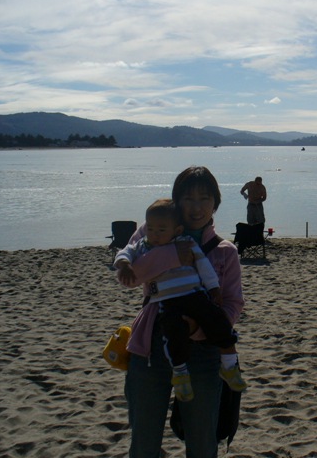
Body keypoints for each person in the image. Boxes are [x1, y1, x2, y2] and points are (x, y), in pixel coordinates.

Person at [124, 166, 244, 458]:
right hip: (150, 346)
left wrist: (197, 328)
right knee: (144, 440)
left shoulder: (225, 250)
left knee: (202, 442)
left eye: (205, 198)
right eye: (188, 198)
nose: (196, 207)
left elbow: (233, 304)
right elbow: (129, 277)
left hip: (203, 354)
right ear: (176, 201)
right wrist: (172, 255)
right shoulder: (151, 232)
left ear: (215, 203)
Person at [114, 198, 247, 402]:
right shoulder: (143, 244)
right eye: (151, 229)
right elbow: (126, 254)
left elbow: (204, 266)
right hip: (167, 301)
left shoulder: (187, 242)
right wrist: (124, 264)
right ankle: (180, 373)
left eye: (161, 230)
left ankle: (229, 365)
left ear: (176, 229)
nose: (155, 234)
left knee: (217, 320)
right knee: (174, 333)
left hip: (195, 294)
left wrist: (213, 288)